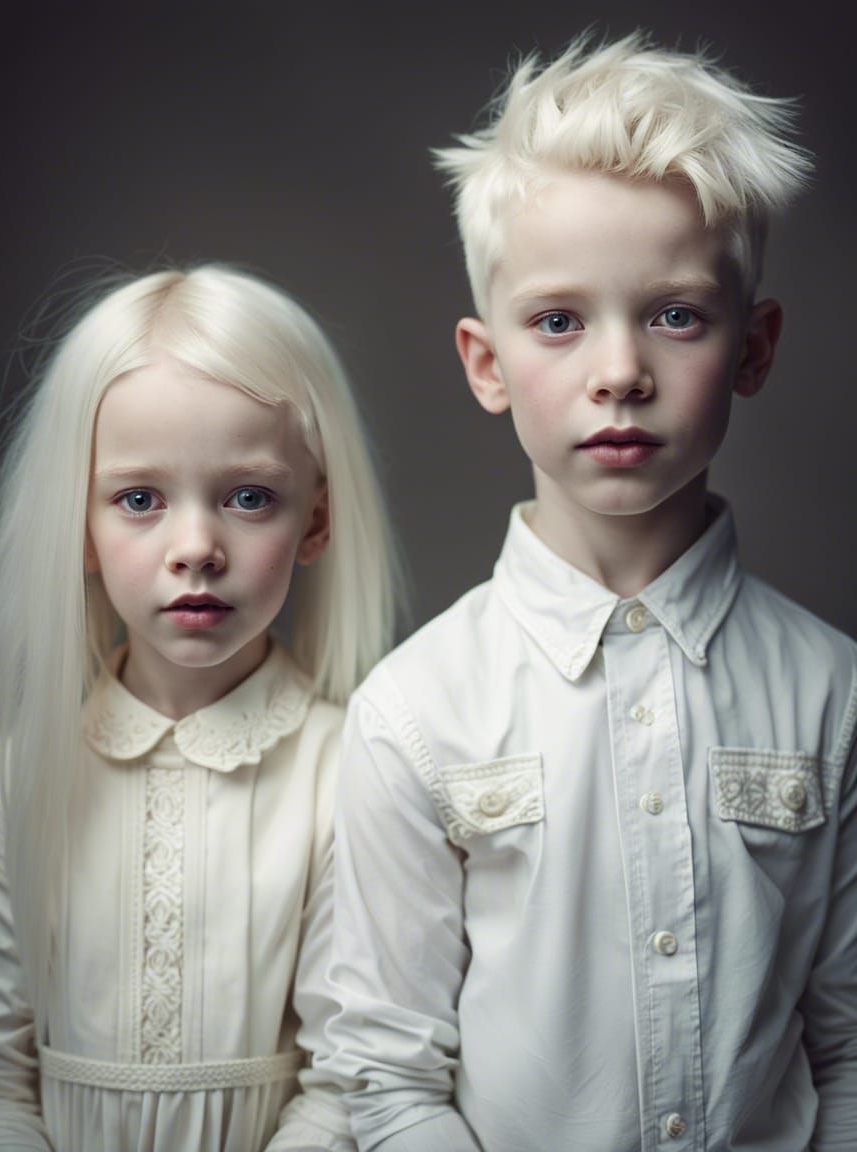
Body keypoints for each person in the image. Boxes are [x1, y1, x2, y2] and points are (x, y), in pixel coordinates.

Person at [322, 31, 856, 1152]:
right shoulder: (413, 715)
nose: (618, 369)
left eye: (672, 314)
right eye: (558, 321)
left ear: (751, 349)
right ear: (485, 363)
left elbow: (846, 1050)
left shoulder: (831, 694)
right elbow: (382, 1075)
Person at [0, 263, 400, 1151]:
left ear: (314, 522)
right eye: (138, 500)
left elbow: (348, 1077)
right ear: (77, 527)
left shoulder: (352, 769)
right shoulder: (8, 784)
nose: (195, 548)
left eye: (249, 498)